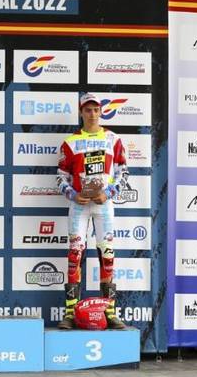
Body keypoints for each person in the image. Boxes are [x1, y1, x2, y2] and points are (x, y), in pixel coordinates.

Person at [56, 93, 129, 329]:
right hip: (79, 204)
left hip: (103, 204)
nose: (92, 114)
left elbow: (123, 173)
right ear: (81, 112)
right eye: (88, 110)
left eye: (96, 109)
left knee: (107, 255)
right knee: (74, 255)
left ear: (101, 111)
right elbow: (61, 177)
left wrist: (108, 193)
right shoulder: (70, 142)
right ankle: (70, 313)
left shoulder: (113, 139)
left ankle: (110, 312)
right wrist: (72, 194)